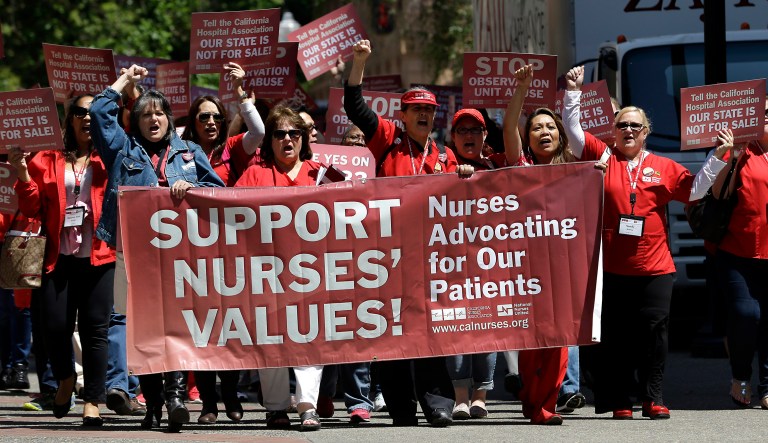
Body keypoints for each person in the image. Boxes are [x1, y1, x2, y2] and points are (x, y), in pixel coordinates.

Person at [89, 64, 224, 432]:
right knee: (140, 327)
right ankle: (151, 406)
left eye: (159, 113)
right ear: (136, 122)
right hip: (132, 255)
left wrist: (191, 191)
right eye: (145, 114)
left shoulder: (189, 153)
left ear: (169, 119)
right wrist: (125, 81)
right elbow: (100, 112)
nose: (153, 120)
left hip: (180, 257)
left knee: (176, 324)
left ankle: (175, 396)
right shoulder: (122, 149)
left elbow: (223, 196)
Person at [343, 39, 471, 428]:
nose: (423, 116)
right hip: (388, 254)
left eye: (429, 111)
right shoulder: (387, 138)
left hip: (430, 256)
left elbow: (456, 204)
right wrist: (359, 62)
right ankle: (401, 406)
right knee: (395, 331)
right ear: (403, 113)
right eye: (416, 110)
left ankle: (437, 403)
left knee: (432, 329)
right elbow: (355, 107)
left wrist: (464, 176)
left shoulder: (445, 155)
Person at [563, 66, 695, 420]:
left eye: (635, 125)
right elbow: (573, 133)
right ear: (613, 131)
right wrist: (573, 92)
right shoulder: (603, 158)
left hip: (655, 267)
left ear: (646, 131)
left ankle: (653, 397)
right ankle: (620, 398)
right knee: (616, 337)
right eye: (622, 125)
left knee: (654, 334)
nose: (628, 130)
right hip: (612, 267)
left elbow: (696, 190)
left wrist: (722, 155)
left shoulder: (664, 166)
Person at [9, 94, 115, 427]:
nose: (87, 118)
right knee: (54, 327)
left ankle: (93, 400)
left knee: (96, 329)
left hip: (98, 256)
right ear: (69, 119)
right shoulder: (46, 158)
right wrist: (23, 174)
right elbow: (31, 209)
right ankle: (66, 379)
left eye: (93, 112)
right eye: (80, 112)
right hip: (57, 257)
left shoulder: (110, 157)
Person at [180, 62, 265, 424]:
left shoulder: (233, 149)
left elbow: (259, 132)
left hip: (230, 252)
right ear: (193, 122)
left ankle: (231, 397)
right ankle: (210, 404)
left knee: (230, 327)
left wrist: (242, 92)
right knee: (202, 330)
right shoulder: (179, 153)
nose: (211, 122)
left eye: (216, 116)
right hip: (194, 252)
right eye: (203, 118)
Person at [234, 105, 326, 431]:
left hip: (312, 271)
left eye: (294, 133)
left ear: (303, 138)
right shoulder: (254, 175)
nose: (287, 139)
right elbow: (227, 211)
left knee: (310, 337)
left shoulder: (321, 173)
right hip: (266, 273)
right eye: (280, 133)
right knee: (270, 337)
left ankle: (307, 406)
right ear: (270, 140)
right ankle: (275, 407)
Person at [501, 64, 571, 426]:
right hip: (525, 268)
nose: (543, 132)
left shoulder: (579, 170)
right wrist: (521, 90)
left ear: (559, 134)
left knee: (560, 341)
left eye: (549, 127)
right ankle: (531, 399)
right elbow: (508, 128)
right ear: (528, 140)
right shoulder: (522, 166)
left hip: (564, 268)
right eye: (536, 128)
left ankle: (547, 404)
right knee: (531, 340)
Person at [691, 96, 768, 410]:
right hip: (738, 251)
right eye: (760, 111)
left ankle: (766, 386)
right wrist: (727, 155)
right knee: (746, 314)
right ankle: (740, 375)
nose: (765, 116)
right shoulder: (737, 149)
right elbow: (702, 191)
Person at [445, 108, 501, 419]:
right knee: (454, 329)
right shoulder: (441, 167)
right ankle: (460, 398)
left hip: (489, 263)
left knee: (487, 330)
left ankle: (481, 395)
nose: (469, 136)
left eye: (475, 131)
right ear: (452, 138)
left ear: (484, 137)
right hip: (450, 266)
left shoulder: (496, 167)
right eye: (462, 130)